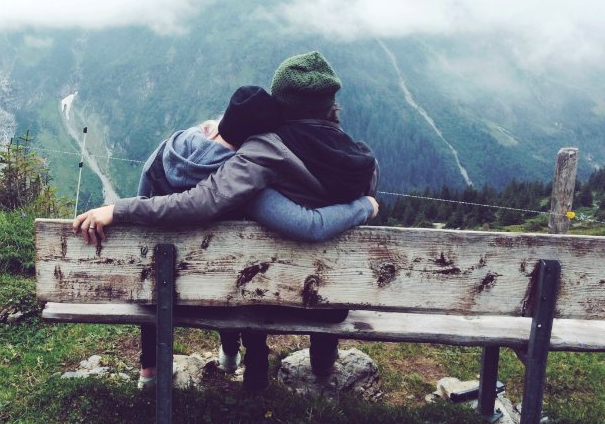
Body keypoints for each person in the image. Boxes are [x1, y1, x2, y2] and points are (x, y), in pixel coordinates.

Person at [74, 52, 379, 390]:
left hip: (263, 293)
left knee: (248, 259)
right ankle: (320, 363)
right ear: (330, 104)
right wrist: (364, 205)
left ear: (282, 105)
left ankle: (243, 364)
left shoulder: (265, 151)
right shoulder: (360, 160)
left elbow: (204, 201)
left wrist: (120, 209)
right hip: (330, 301)